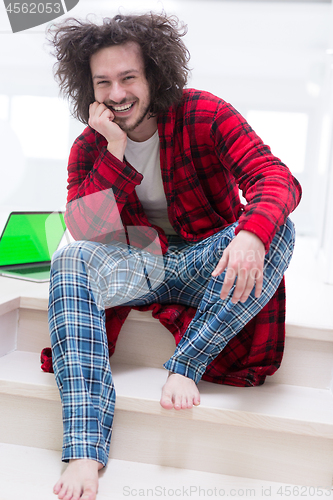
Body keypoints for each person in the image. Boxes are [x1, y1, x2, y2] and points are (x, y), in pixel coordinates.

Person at [47, 12, 302, 500]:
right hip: (142, 263)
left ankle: (186, 363)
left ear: (154, 75)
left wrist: (250, 235)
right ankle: (83, 446)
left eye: (128, 78)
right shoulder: (89, 146)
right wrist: (114, 148)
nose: (117, 94)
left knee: (276, 226)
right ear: (89, 87)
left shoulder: (203, 112)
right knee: (70, 260)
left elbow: (277, 179)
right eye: (104, 82)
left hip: (209, 259)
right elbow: (85, 230)